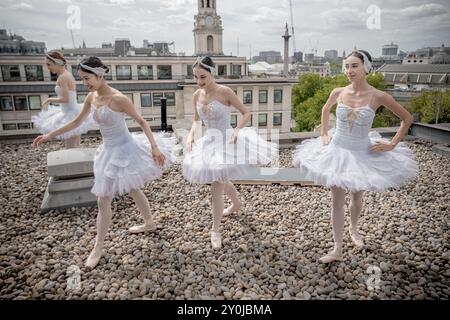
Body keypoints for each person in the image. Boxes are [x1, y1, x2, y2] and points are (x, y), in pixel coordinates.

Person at [33, 56, 176, 268]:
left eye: (87, 78)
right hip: (107, 151)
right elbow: (76, 121)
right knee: (127, 190)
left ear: (100, 75)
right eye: (82, 79)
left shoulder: (119, 99)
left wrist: (154, 147)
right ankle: (148, 223)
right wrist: (49, 135)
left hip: (125, 148)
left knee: (108, 198)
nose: (85, 83)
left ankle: (99, 245)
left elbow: (142, 122)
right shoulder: (91, 97)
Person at [292, 50, 418, 263]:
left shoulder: (379, 96)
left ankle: (354, 228)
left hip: (362, 152)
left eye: (354, 66)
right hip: (337, 150)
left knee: (357, 196)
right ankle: (337, 248)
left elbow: (407, 118)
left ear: (365, 67)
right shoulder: (339, 91)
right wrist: (323, 133)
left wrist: (392, 143)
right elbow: (325, 110)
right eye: (347, 66)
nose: (349, 71)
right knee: (336, 200)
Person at [182, 56, 278, 250]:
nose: (199, 82)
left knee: (216, 184)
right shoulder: (196, 95)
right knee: (221, 178)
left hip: (227, 139)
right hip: (210, 141)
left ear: (211, 73)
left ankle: (215, 230)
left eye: (203, 77)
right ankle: (236, 204)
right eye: (196, 77)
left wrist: (237, 130)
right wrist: (191, 135)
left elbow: (246, 112)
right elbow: (196, 120)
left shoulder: (224, 92)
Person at [32, 50, 94, 148]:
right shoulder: (67, 75)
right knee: (75, 144)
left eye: (49, 64)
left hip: (69, 112)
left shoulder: (63, 77)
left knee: (70, 146)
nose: (47, 67)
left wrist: (49, 100)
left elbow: (65, 99)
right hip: (73, 110)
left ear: (57, 63)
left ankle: (72, 162)